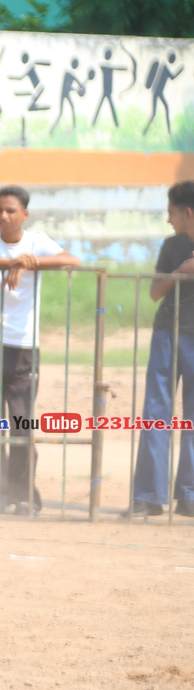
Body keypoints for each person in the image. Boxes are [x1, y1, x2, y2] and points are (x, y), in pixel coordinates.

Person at [0, 186, 81, 514]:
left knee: (21, 426)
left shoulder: (36, 241)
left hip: (23, 348)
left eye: (10, 210)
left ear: (24, 214)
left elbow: (72, 260)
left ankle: (23, 495)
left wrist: (30, 263)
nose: (3, 216)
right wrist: (11, 261)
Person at [126, 181, 194, 519]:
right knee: (156, 410)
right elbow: (155, 292)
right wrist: (180, 272)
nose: (169, 220)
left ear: (187, 213)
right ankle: (148, 495)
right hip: (169, 332)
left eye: (171, 213)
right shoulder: (172, 245)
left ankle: (189, 495)